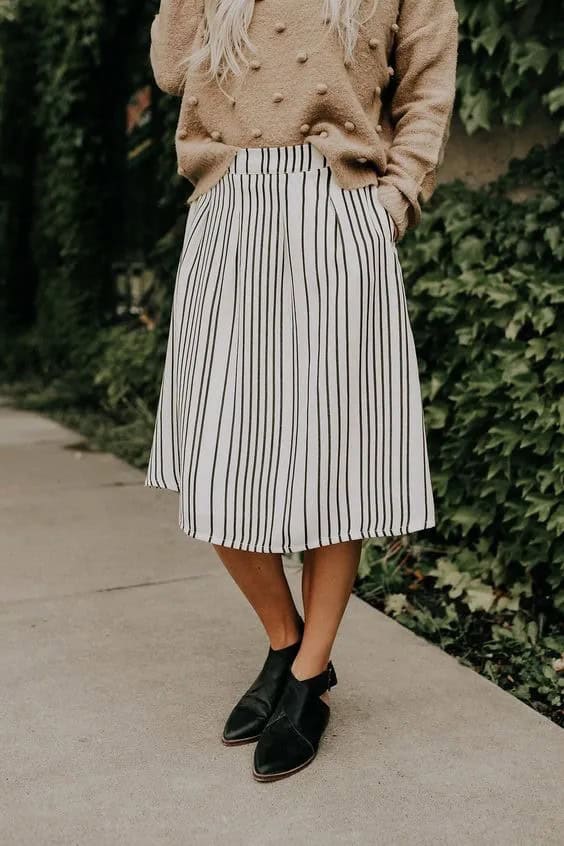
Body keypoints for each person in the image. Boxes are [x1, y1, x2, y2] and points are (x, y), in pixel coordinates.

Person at [145, 0, 458, 782]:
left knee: (333, 455)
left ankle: (310, 675)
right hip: (230, 211)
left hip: (338, 210)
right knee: (217, 456)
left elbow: (426, 90)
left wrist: (390, 203)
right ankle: (286, 644)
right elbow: (171, 67)